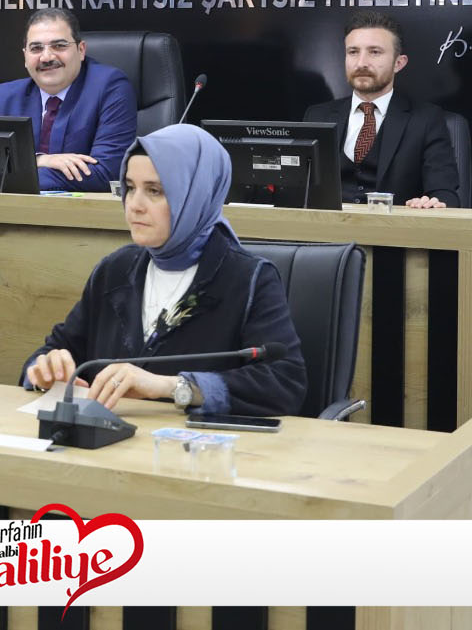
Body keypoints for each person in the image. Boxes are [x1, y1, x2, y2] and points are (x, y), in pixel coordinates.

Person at [23, 124, 306, 416]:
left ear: (195, 195)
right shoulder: (115, 269)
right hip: (109, 438)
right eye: (130, 187)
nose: (134, 205)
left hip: (193, 443)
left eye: (154, 191)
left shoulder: (248, 278)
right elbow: (55, 350)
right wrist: (45, 369)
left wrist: (172, 387)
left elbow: (283, 384)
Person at [305, 11, 461, 209]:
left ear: (399, 63)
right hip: (327, 228)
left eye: (375, 52)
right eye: (353, 52)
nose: (361, 63)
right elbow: (298, 189)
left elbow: (445, 193)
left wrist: (433, 204)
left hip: (393, 228)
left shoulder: (426, 120)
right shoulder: (317, 116)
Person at [0, 7, 136, 192]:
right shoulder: (6, 97)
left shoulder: (109, 87)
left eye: (59, 46)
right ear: (25, 56)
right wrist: (40, 160)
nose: (47, 57)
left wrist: (20, 170)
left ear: (81, 50)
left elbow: (106, 173)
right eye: (36, 48)